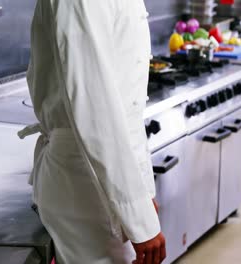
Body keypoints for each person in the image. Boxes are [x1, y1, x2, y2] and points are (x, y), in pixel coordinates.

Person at [18, 0, 166, 263]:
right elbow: (96, 113)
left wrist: (142, 195)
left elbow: (125, 116)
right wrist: (137, 214)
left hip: (109, 175)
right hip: (85, 177)